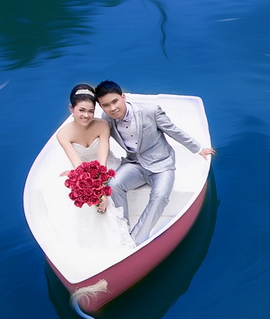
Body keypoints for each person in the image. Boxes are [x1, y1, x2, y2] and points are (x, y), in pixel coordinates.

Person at [94, 79, 215, 244]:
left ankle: (136, 238)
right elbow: (99, 141)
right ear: (101, 107)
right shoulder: (105, 119)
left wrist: (199, 148)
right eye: (106, 105)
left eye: (115, 101)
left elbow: (173, 130)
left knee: (160, 196)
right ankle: (122, 230)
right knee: (114, 185)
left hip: (162, 164)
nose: (112, 108)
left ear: (123, 97)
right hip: (134, 164)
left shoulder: (150, 111)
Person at [47, 84, 135, 251]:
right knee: (77, 199)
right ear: (71, 108)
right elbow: (78, 165)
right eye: (81, 110)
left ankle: (123, 237)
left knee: (113, 191)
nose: (86, 115)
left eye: (90, 111)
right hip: (84, 173)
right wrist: (93, 192)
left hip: (108, 168)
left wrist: (101, 189)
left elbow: (102, 161)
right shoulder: (63, 135)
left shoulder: (102, 125)